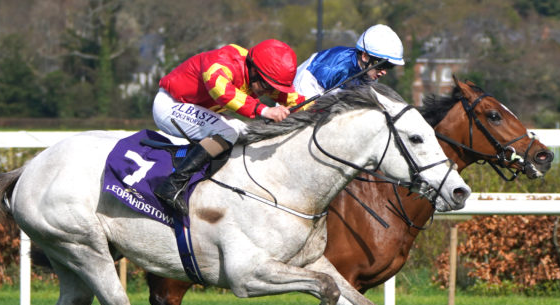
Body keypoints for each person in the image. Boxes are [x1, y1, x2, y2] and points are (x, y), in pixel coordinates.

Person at [152, 39, 305, 216]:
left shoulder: (260, 75)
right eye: (266, 86)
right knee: (228, 132)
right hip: (170, 105)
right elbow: (222, 92)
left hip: (196, 109)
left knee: (242, 130)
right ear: (254, 70)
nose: (267, 92)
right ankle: (172, 185)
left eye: (272, 88)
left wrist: (326, 110)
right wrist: (265, 110)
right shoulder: (223, 61)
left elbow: (295, 100)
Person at [293, 24, 405, 98]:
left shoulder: (368, 70)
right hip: (303, 94)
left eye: (389, 66)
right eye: (381, 65)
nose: (384, 72)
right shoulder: (337, 70)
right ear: (365, 56)